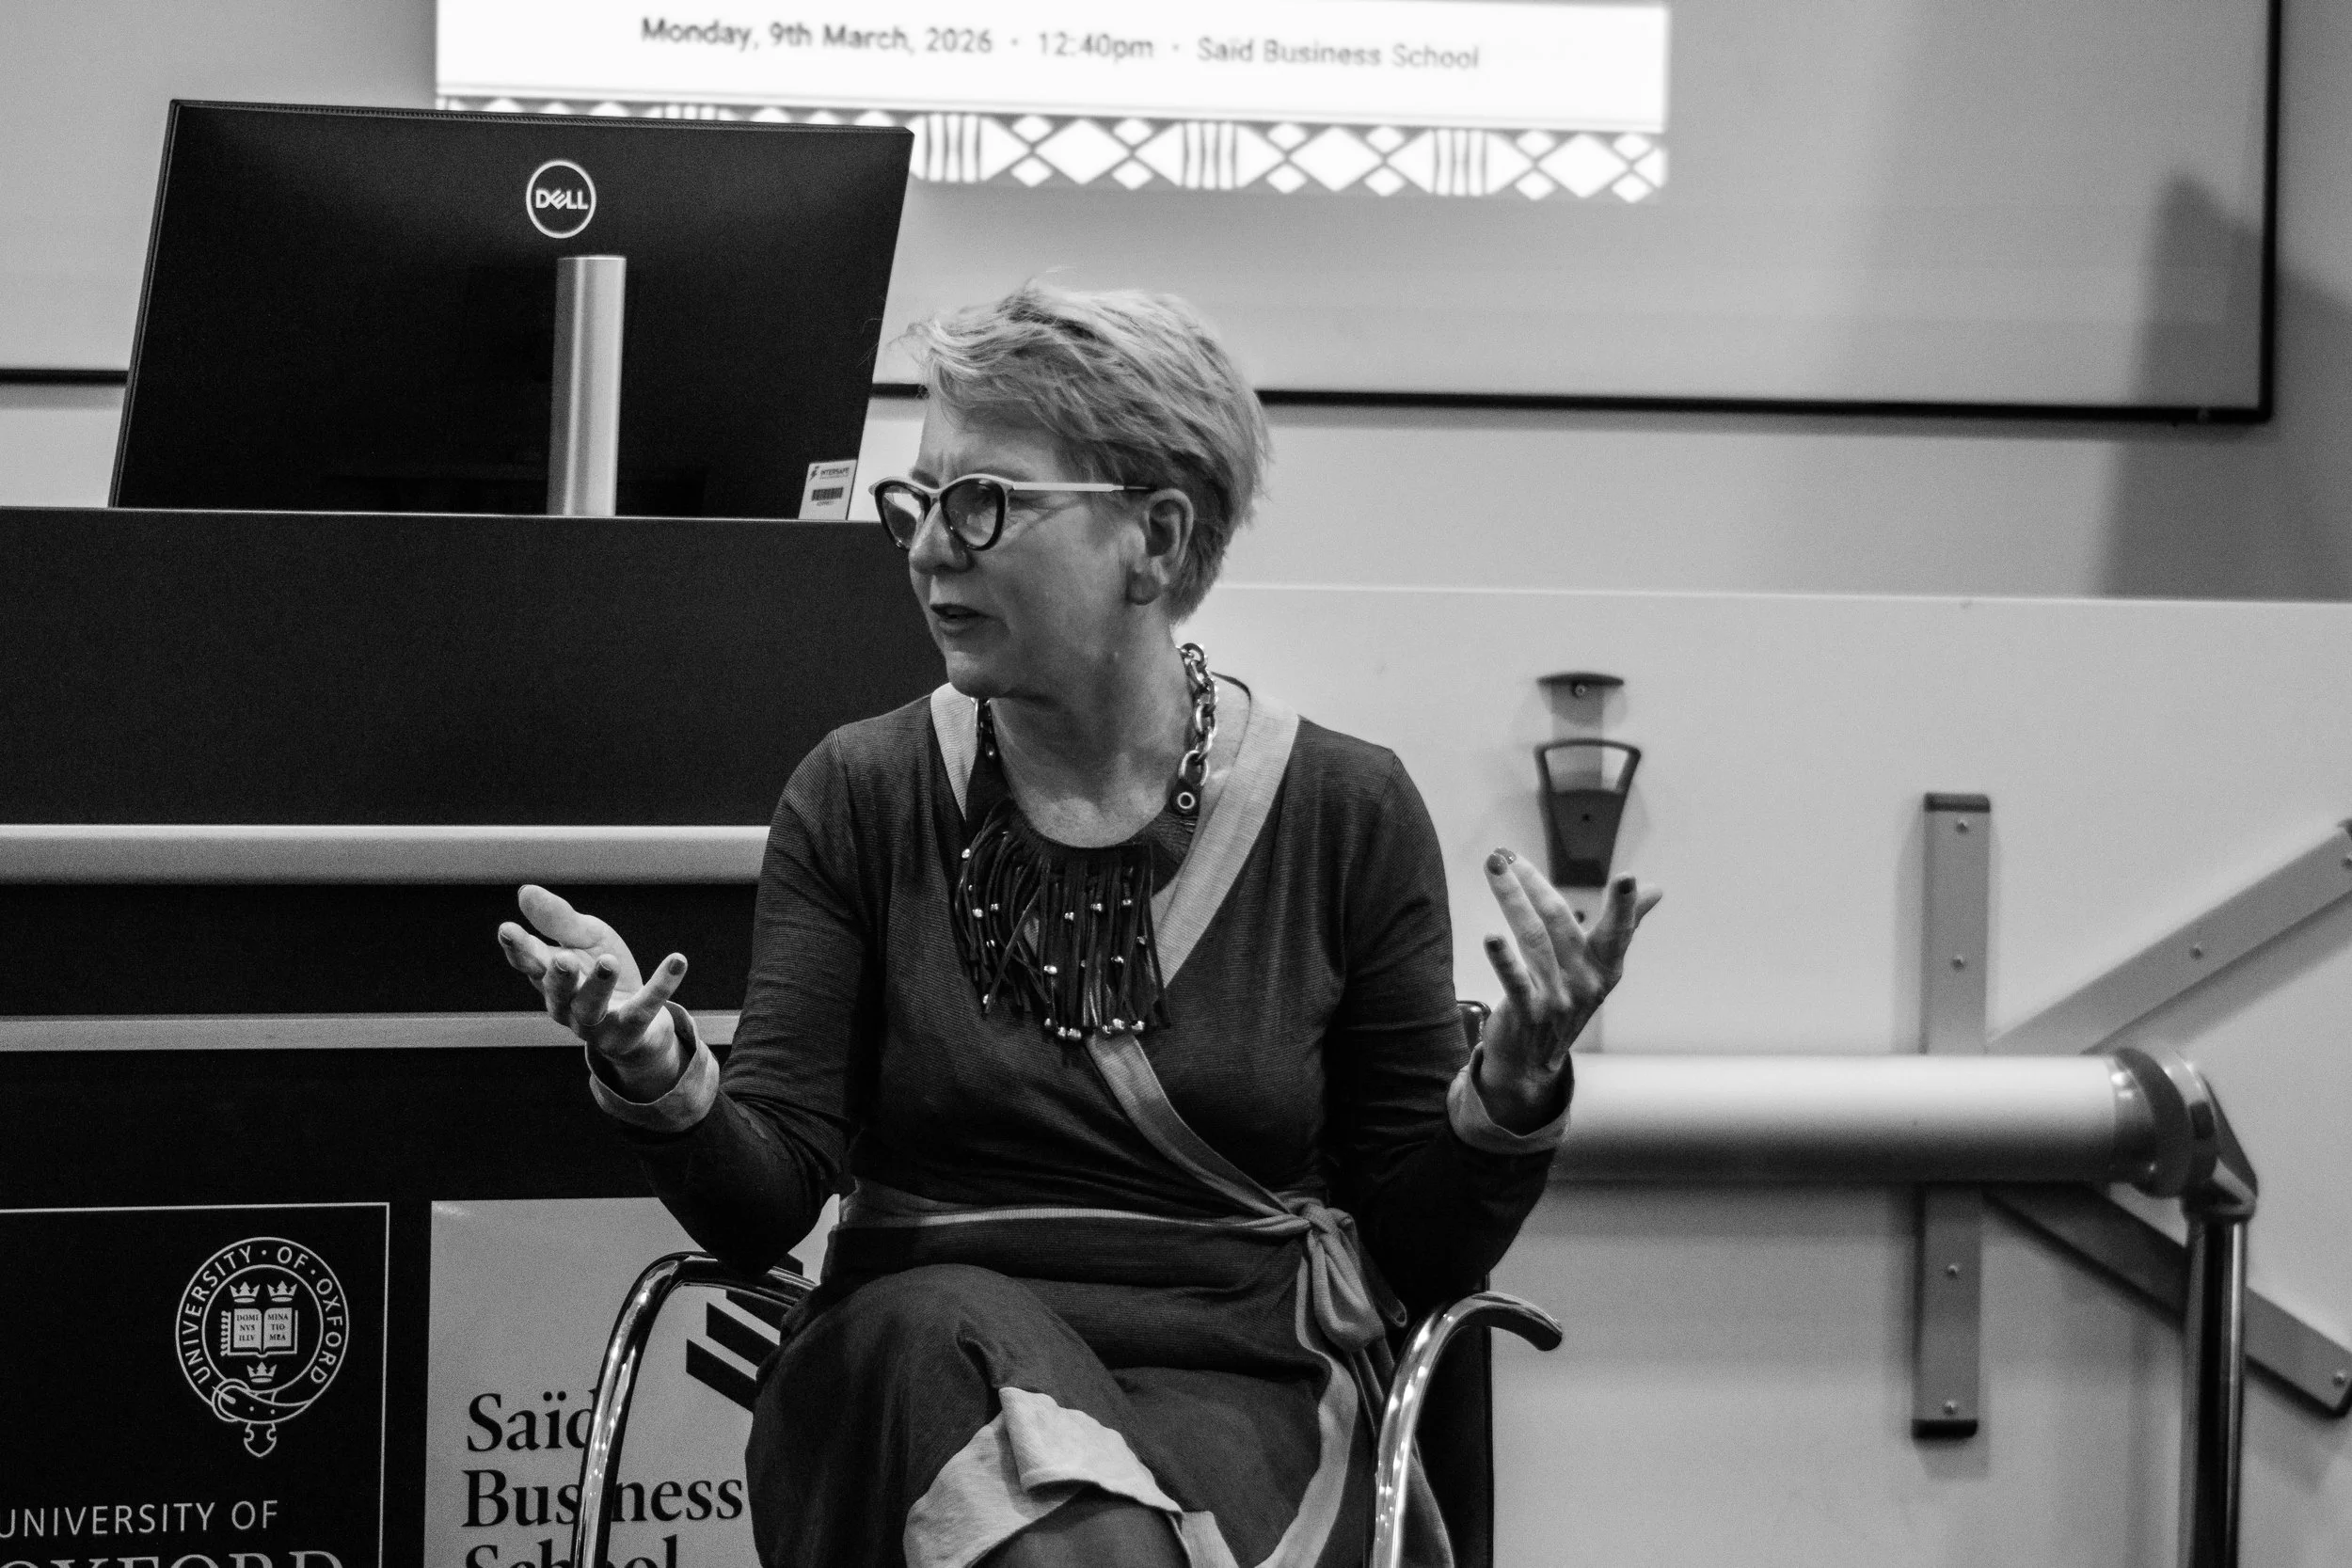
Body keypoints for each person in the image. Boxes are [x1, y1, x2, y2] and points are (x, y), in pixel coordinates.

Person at [496, 282, 1659, 1568]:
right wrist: (656, 1072)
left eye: (984, 501)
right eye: (918, 500)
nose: (932, 547)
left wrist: (1512, 1085)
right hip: (923, 1374)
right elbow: (764, 1205)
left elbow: (1418, 1243)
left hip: (1244, 1384)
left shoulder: (1343, 809)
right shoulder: (863, 791)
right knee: (939, 1348)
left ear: (1153, 541)